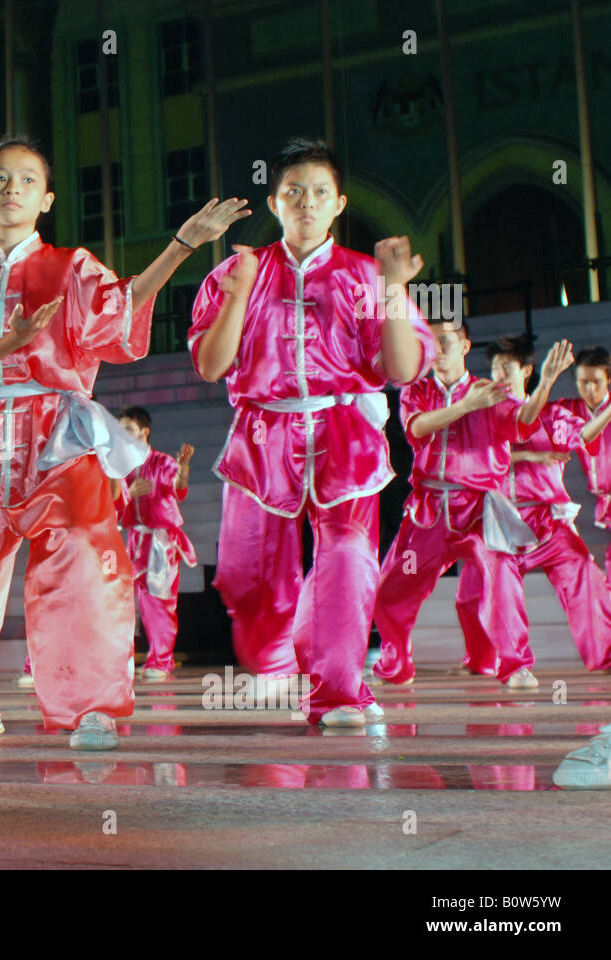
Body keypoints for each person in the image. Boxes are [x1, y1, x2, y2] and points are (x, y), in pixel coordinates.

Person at [0, 134, 250, 748]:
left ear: (48, 197)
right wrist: (8, 345)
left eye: (27, 179)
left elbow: (123, 307)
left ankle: (88, 707)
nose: (12, 188)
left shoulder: (72, 267)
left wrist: (182, 245)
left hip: (54, 436)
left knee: (86, 563)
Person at [189, 136, 436, 726]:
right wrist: (239, 297)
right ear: (274, 202)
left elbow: (400, 370)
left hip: (343, 427)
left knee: (348, 557)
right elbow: (210, 365)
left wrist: (396, 291)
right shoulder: (238, 271)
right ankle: (275, 663)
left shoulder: (366, 276)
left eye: (319, 192)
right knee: (247, 577)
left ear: (339, 203)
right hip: (261, 433)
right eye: (293, 192)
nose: (306, 202)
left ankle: (339, 689)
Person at [372, 320, 548, 689]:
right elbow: (417, 430)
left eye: (445, 341)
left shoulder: (490, 391)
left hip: (479, 509)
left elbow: (523, 421)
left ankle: (515, 665)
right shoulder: (416, 390)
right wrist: (467, 406)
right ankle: (395, 661)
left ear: (465, 345)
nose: (436, 349)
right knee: (390, 588)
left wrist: (544, 383)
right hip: (429, 509)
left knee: (501, 576)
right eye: (429, 342)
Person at [454, 336, 611, 674]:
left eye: (505, 368)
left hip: (545, 521)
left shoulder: (552, 414)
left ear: (526, 371)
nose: (498, 375)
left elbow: (584, 436)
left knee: (583, 567)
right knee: (471, 594)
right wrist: (526, 454)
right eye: (494, 369)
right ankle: (494, 662)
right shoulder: (481, 418)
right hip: (497, 521)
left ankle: (604, 656)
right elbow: (472, 458)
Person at [115, 406, 196, 682]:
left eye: (128, 429)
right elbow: (114, 501)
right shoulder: (121, 466)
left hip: (161, 541)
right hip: (135, 541)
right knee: (133, 602)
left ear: (144, 432)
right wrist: (128, 493)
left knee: (159, 602)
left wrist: (183, 468)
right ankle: (142, 659)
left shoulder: (162, 463)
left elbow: (178, 484)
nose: (122, 434)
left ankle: (161, 660)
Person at [559, 346, 611, 581]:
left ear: (608, 379)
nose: (590, 389)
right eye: (583, 382)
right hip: (602, 496)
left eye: (596, 381)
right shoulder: (571, 410)